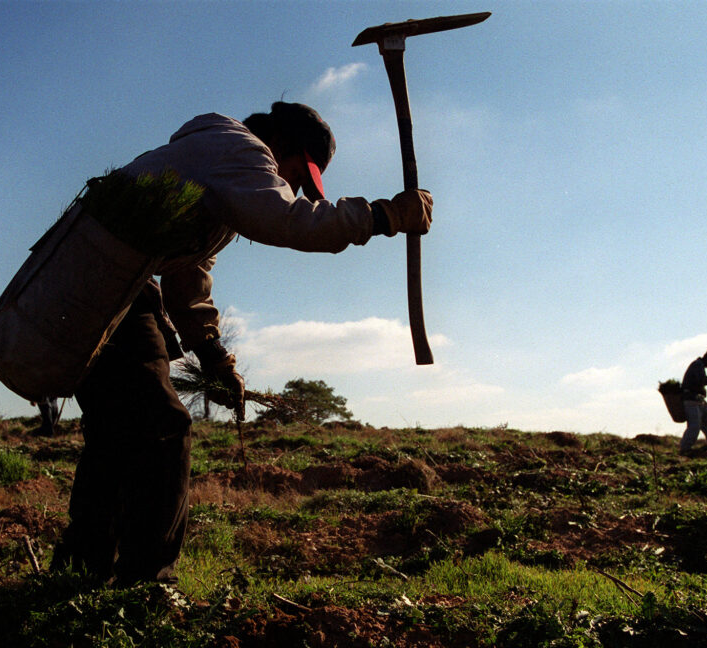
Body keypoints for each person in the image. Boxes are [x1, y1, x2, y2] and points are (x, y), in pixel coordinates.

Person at [51, 102, 433, 586]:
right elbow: (290, 221)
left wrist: (212, 355)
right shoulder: (238, 150)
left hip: (103, 282)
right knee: (162, 427)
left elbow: (186, 274)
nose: (294, 188)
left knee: (115, 432)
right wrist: (383, 216)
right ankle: (147, 584)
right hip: (106, 282)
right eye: (298, 175)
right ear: (286, 149)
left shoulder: (216, 169)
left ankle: (79, 572)